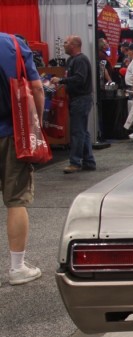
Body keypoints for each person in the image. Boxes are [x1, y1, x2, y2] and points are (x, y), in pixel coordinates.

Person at [0, 32, 44, 285]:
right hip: (12, 132)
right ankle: (17, 268)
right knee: (16, 199)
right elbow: (37, 88)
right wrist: (36, 129)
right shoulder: (13, 44)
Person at [50, 35, 97, 175]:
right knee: (83, 132)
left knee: (77, 132)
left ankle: (75, 162)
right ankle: (89, 161)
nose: (63, 45)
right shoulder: (71, 60)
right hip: (77, 99)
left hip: (81, 99)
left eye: (66, 43)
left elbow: (79, 79)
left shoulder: (81, 60)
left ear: (74, 45)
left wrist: (62, 81)